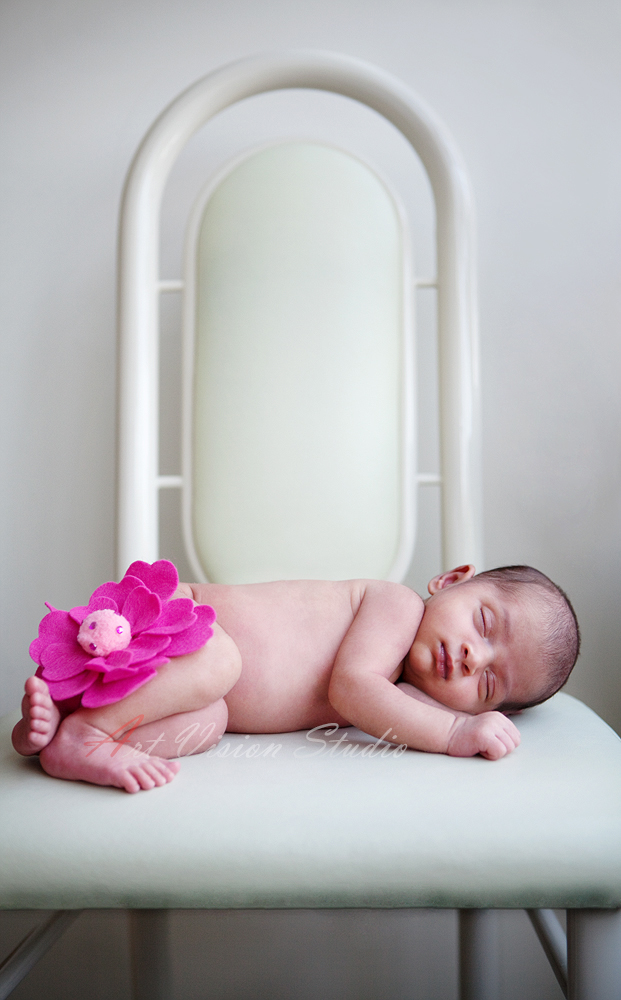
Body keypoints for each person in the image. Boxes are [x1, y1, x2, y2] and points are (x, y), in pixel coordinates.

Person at [12, 561, 580, 793]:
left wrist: (457, 718)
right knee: (220, 663)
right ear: (451, 579)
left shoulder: (403, 694)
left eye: (487, 685)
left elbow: (389, 705)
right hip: (175, 625)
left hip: (181, 686)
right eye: (483, 622)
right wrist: (456, 733)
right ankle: (89, 739)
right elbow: (354, 690)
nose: (471, 657)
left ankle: (62, 729)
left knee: (208, 723)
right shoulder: (397, 605)